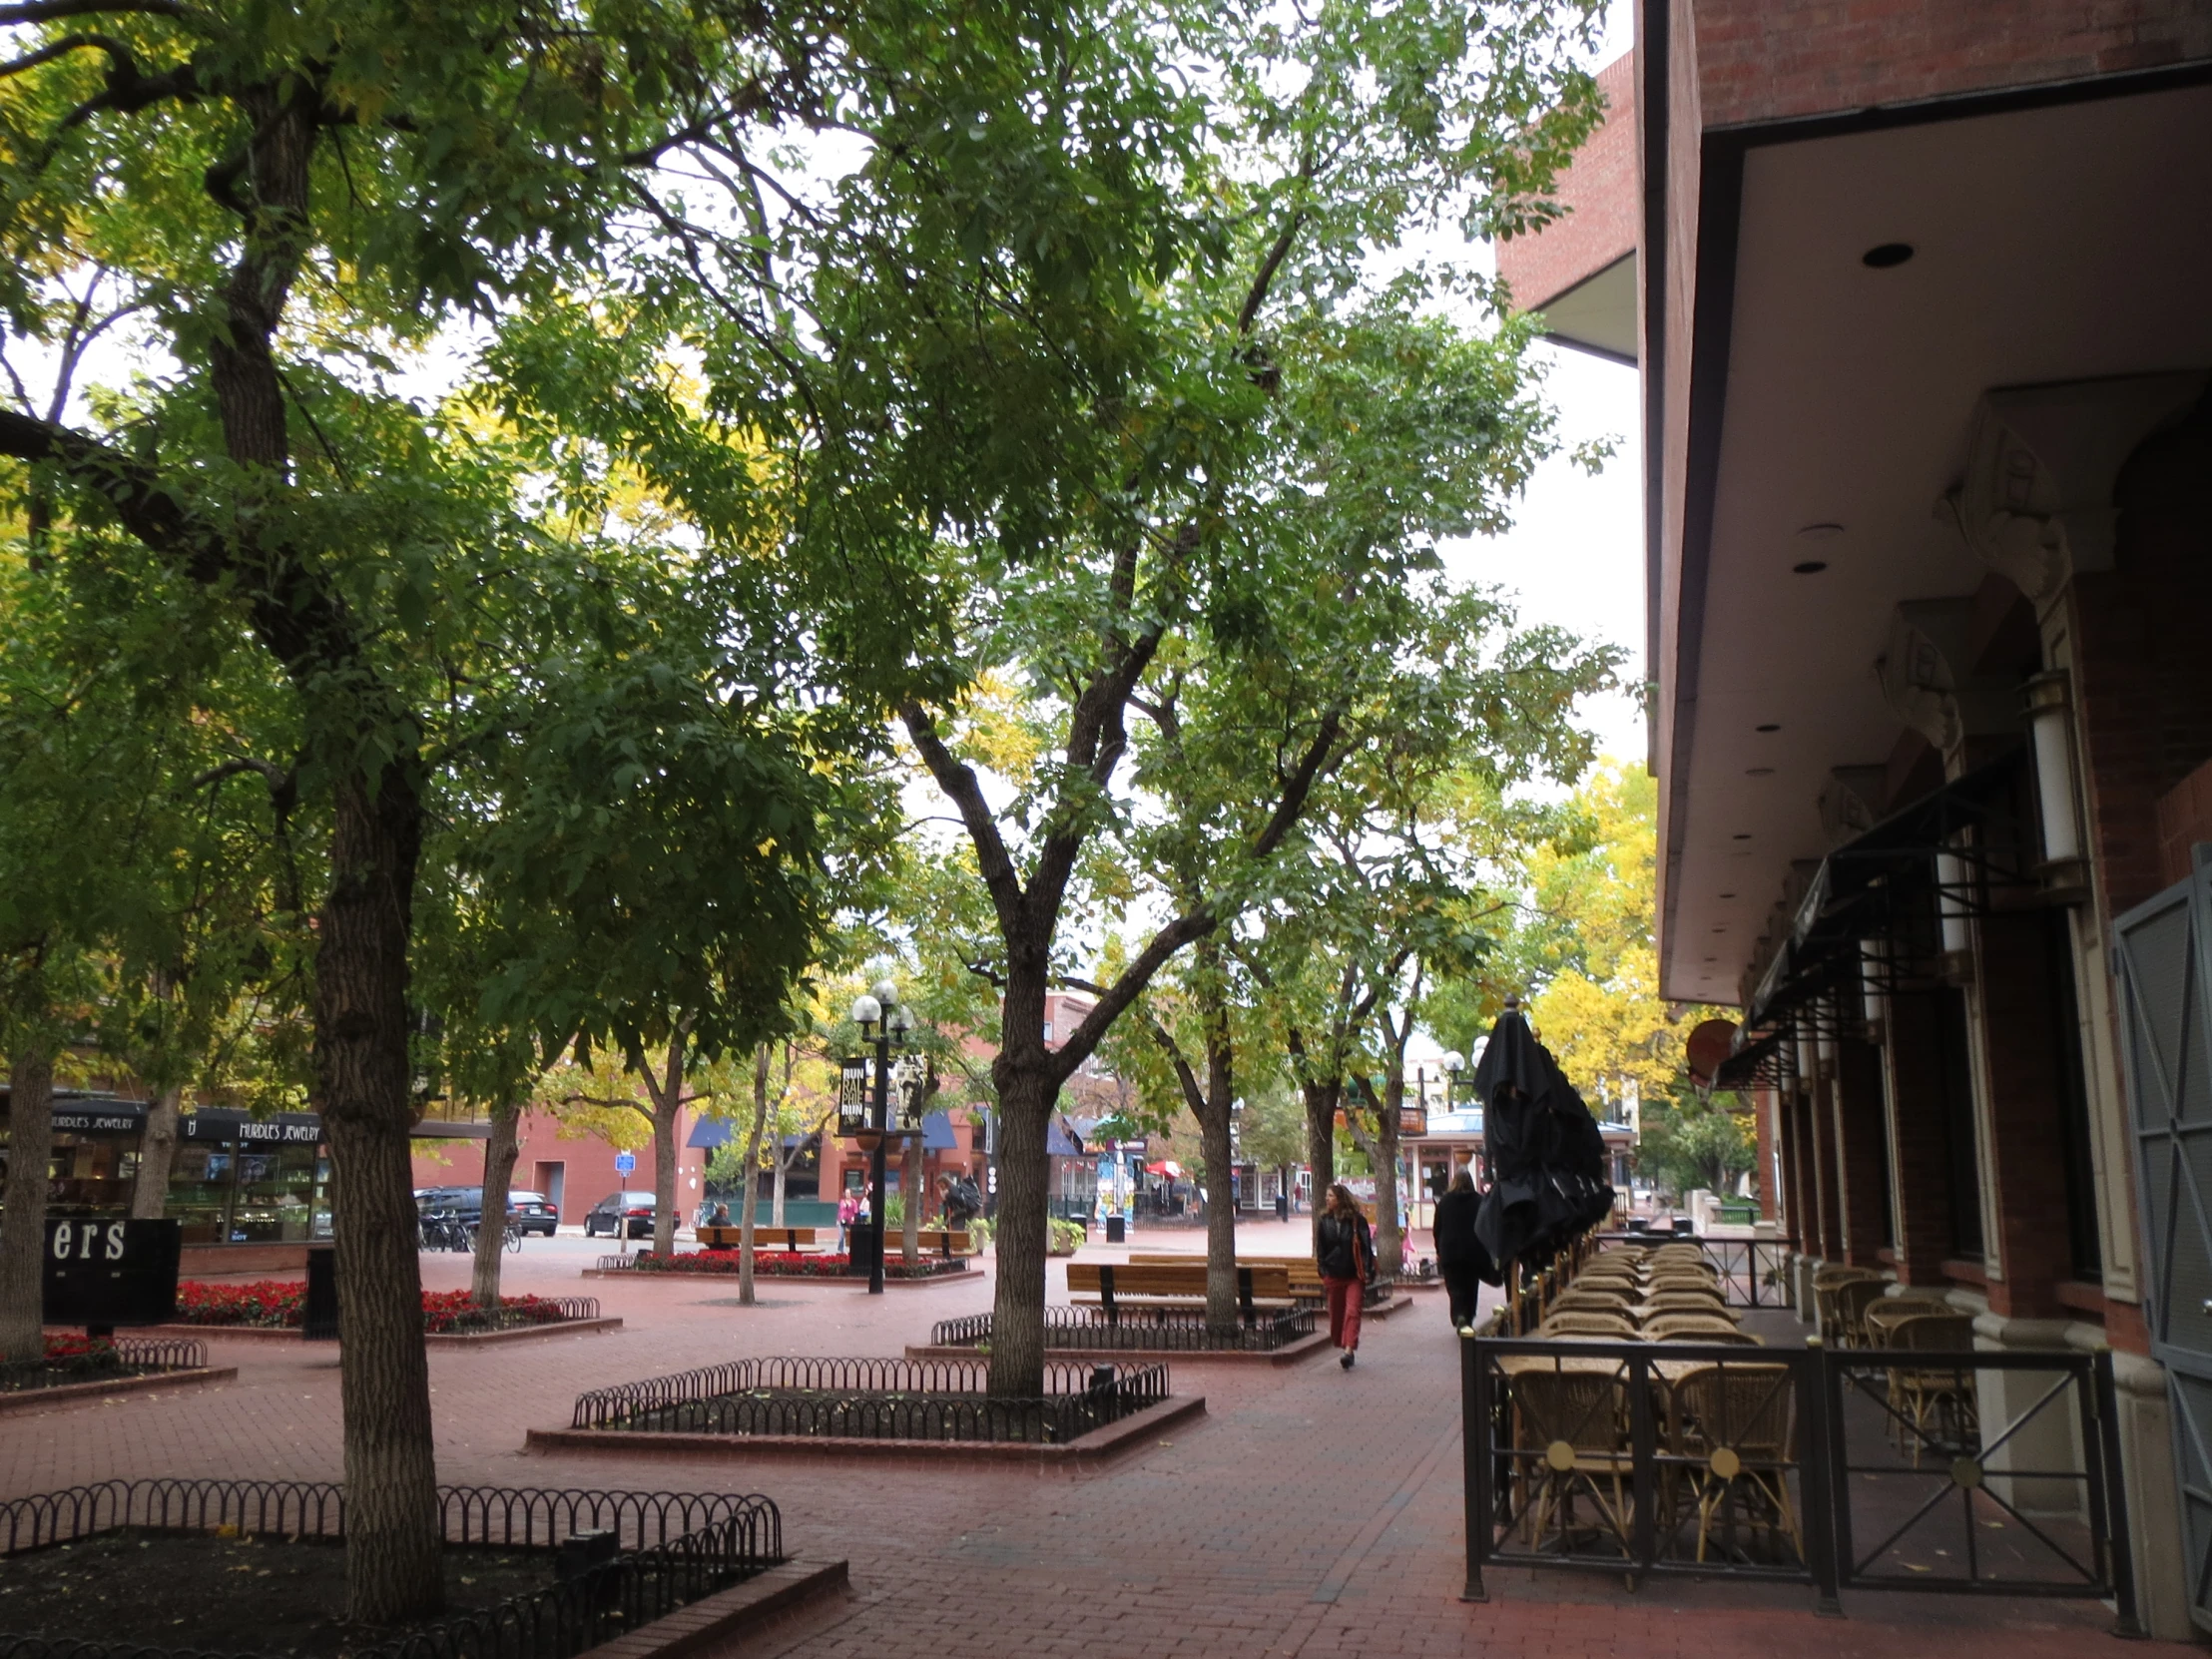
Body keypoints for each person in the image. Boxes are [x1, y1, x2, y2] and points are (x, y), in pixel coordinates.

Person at [1317, 1182, 1377, 1370]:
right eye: (1327, 1196)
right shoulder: (1324, 1221)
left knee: (1352, 1311)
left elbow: (1366, 1247)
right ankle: (1343, 1342)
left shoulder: (1357, 1220)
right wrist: (1323, 1269)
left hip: (1354, 1274)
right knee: (1336, 1316)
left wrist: (1366, 1270)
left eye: (1331, 1196)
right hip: (1333, 1274)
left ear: (1341, 1199)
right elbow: (1320, 1248)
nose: (1327, 1199)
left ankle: (1348, 1351)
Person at [1432, 1168, 1482, 1331]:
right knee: (1471, 1286)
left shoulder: (1445, 1201)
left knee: (1454, 1286)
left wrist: (1439, 1249)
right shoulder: (1478, 1201)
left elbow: (1437, 1228)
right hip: (1472, 1253)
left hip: (1450, 1252)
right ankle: (1468, 1317)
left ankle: (1458, 1314)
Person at [836, 1186, 860, 1252]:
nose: (847, 1194)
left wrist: (853, 1217)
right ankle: (840, 1250)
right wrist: (838, 1220)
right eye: (846, 1193)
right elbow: (840, 1211)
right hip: (842, 1220)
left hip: (850, 1221)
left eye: (848, 1193)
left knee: (853, 1235)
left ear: (851, 1194)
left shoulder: (854, 1202)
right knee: (841, 1236)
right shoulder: (842, 1201)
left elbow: (856, 1211)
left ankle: (854, 1249)